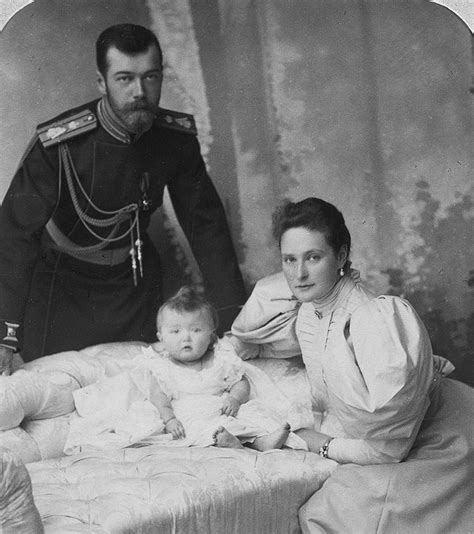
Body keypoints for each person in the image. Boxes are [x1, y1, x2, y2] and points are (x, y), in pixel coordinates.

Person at [0, 23, 246, 375]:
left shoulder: (174, 139)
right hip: (62, 292)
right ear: (102, 82)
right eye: (124, 79)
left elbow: (207, 228)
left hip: (134, 291)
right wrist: (5, 335)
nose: (139, 92)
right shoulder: (61, 144)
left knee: (146, 398)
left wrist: (233, 322)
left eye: (150, 77)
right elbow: (12, 235)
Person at [230, 197, 474, 532]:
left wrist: (324, 444)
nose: (298, 274)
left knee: (331, 517)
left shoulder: (370, 318)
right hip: (387, 438)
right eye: (289, 260)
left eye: (313, 258)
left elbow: (390, 450)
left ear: (341, 255)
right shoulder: (307, 312)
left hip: (441, 433)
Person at [145, 285, 303, 451]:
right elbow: (159, 400)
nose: (186, 337)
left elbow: (241, 382)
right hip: (190, 415)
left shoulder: (221, 358)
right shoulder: (162, 368)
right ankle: (228, 441)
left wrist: (235, 399)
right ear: (161, 337)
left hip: (224, 410)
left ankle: (262, 441)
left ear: (211, 335)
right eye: (176, 331)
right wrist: (170, 420)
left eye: (196, 330)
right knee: (200, 426)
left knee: (251, 413)